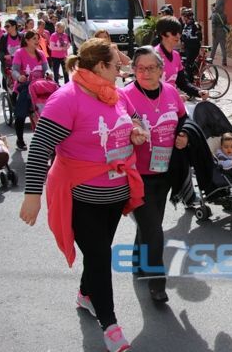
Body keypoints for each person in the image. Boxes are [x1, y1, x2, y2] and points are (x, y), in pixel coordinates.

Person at [19, 37, 147, 352]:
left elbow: (133, 118)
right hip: (81, 196)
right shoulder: (67, 99)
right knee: (101, 256)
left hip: (115, 194)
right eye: (116, 66)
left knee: (97, 254)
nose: (120, 72)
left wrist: (135, 130)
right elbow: (40, 147)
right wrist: (32, 195)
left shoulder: (114, 93)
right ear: (100, 66)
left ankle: (86, 295)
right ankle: (111, 325)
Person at [120, 45, 188, 303]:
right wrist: (131, 134)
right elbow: (117, 129)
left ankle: (138, 261)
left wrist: (184, 134)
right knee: (154, 229)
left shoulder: (170, 91)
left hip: (165, 171)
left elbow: (183, 118)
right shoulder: (124, 96)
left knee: (151, 224)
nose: (145, 73)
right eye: (139, 68)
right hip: (137, 174)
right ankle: (157, 282)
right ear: (133, 69)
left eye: (151, 68)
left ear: (161, 70)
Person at [10, 30, 50, 151]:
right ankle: (20, 139)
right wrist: (19, 77)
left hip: (40, 87)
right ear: (26, 41)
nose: (37, 41)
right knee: (21, 114)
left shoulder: (41, 53)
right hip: (25, 87)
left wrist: (49, 73)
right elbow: (14, 70)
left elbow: (47, 68)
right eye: (34, 39)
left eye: (38, 38)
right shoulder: (19, 53)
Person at [153, 16, 208, 100]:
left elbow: (182, 82)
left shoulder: (176, 55)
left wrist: (198, 92)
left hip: (171, 103)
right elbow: (149, 87)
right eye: (174, 33)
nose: (178, 36)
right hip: (156, 104)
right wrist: (175, 97)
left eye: (179, 32)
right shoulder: (153, 56)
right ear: (162, 34)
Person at [179, 8, 202, 80]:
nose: (182, 18)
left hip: (193, 48)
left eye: (183, 16)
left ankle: (190, 81)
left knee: (188, 65)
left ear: (187, 17)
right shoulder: (186, 25)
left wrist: (187, 40)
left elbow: (199, 38)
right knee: (183, 60)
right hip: (188, 48)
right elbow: (183, 36)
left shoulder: (194, 25)